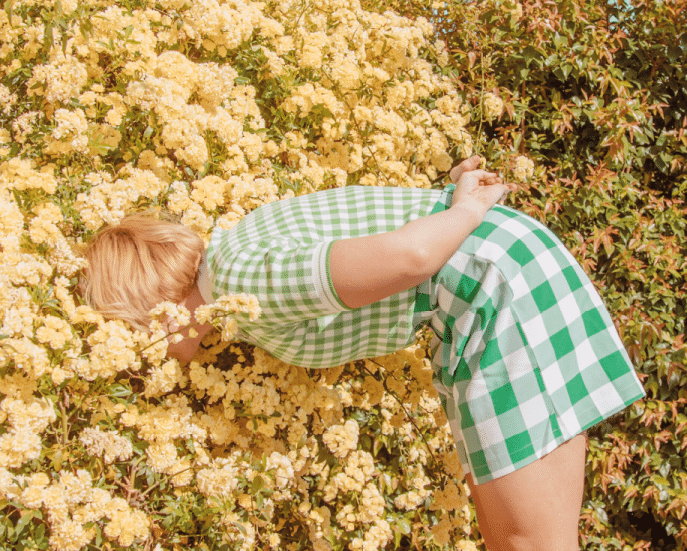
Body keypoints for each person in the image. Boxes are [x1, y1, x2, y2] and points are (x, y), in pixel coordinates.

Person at [80, 156, 645, 551]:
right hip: (501, 280)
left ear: (153, 301)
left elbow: (409, 258)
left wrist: (469, 206)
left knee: (527, 543)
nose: (149, 354)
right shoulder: (237, 252)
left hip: (496, 292)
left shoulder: (239, 281)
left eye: (134, 330)